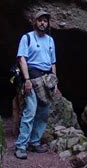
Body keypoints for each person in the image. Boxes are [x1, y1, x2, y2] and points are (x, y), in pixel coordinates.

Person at [14, 10, 58, 159]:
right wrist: (26, 80)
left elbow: (53, 62)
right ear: (34, 22)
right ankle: (21, 146)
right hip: (32, 78)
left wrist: (54, 81)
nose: (43, 23)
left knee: (44, 112)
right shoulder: (27, 38)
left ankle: (35, 141)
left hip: (46, 80)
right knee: (30, 111)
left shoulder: (50, 40)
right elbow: (22, 59)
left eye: (45, 20)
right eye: (40, 20)